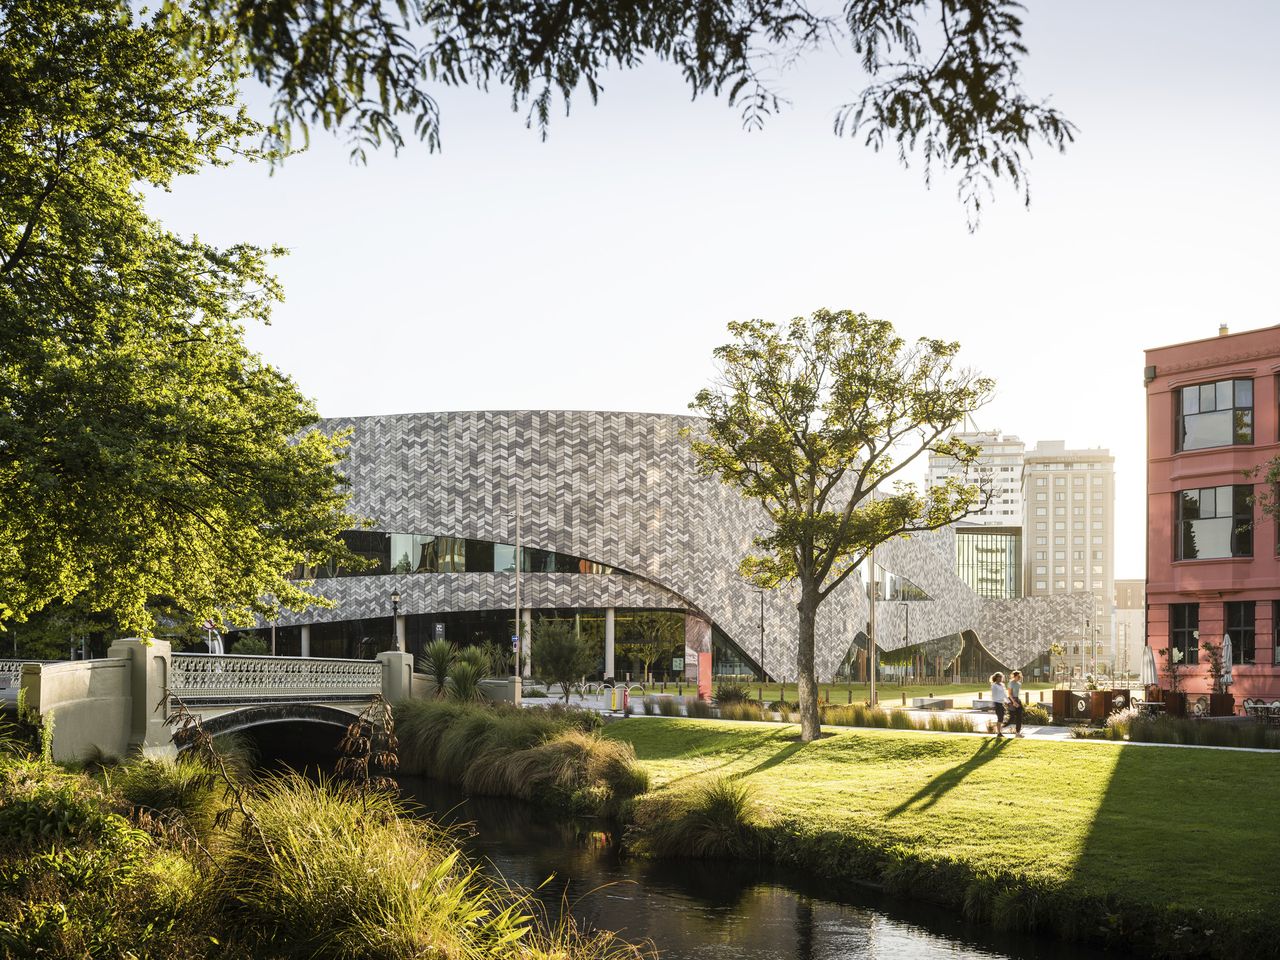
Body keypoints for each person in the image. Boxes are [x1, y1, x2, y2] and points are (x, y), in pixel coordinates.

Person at [989, 671, 1007, 738]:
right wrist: (993, 704)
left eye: (1001, 677)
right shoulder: (994, 685)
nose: (1000, 678)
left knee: (1001, 718)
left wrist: (1008, 702)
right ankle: (999, 733)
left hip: (1001, 703)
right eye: (999, 677)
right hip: (997, 703)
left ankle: (999, 732)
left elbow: (1004, 694)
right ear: (996, 678)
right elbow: (993, 696)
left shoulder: (1002, 685)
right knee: (1000, 718)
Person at [1008, 669, 1025, 738]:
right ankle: (1001, 728)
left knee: (1019, 717)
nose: (1019, 677)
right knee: (1012, 718)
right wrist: (1014, 702)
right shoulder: (1011, 683)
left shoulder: (1019, 684)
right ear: (1014, 676)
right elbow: (1009, 694)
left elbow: (1017, 694)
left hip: (1017, 699)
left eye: (1020, 676)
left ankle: (1017, 733)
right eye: (1018, 676)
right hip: (1012, 700)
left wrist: (1017, 701)